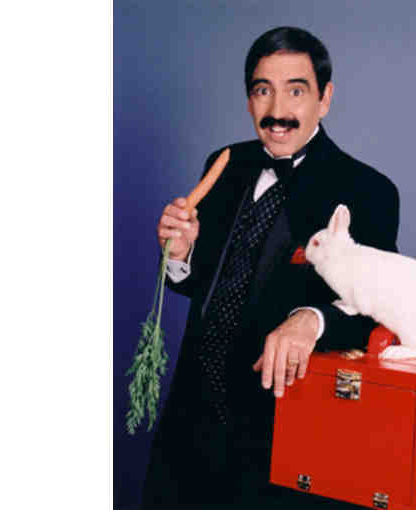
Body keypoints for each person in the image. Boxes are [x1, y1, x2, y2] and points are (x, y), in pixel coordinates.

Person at [141, 26, 400, 509]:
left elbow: (379, 309)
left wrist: (313, 319)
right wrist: (180, 257)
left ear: (325, 98)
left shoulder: (369, 190)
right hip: (191, 422)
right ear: (249, 99)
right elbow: (206, 286)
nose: (277, 111)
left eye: (296, 91)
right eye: (264, 90)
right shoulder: (223, 164)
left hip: (283, 434)